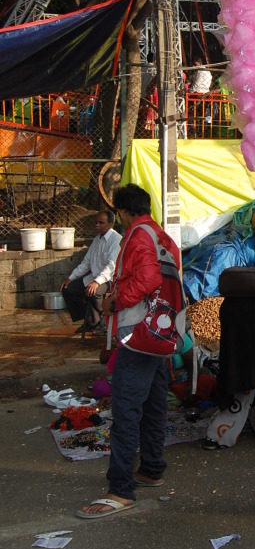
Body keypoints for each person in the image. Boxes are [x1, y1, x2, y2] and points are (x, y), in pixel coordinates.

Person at [77, 184, 182, 518]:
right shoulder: (161, 235)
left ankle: (120, 488)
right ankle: (151, 468)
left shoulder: (137, 236)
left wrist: (115, 302)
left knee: (125, 411)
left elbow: (148, 279)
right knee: (153, 404)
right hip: (160, 334)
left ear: (122, 212)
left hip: (138, 335)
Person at [60, 210, 121, 337]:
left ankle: (96, 322)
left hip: (109, 279)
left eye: (101, 223)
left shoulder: (116, 240)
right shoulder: (96, 240)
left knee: (94, 292)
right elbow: (86, 263)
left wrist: (97, 282)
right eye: (96, 223)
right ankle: (89, 319)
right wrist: (71, 277)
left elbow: (111, 266)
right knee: (68, 289)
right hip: (93, 277)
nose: (97, 225)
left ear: (110, 223)